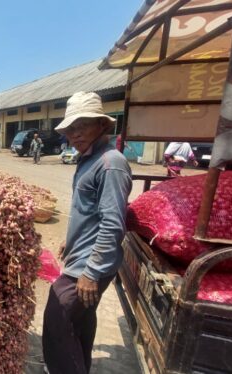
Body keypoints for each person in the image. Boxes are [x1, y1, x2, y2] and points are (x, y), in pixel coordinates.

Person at [44, 92, 132, 374]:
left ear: (102, 126)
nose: (75, 133)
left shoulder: (111, 164)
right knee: (80, 320)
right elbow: (87, 211)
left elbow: (112, 223)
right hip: (81, 256)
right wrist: (70, 241)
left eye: (82, 125)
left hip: (90, 264)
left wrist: (92, 272)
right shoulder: (87, 159)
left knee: (57, 320)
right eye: (71, 128)